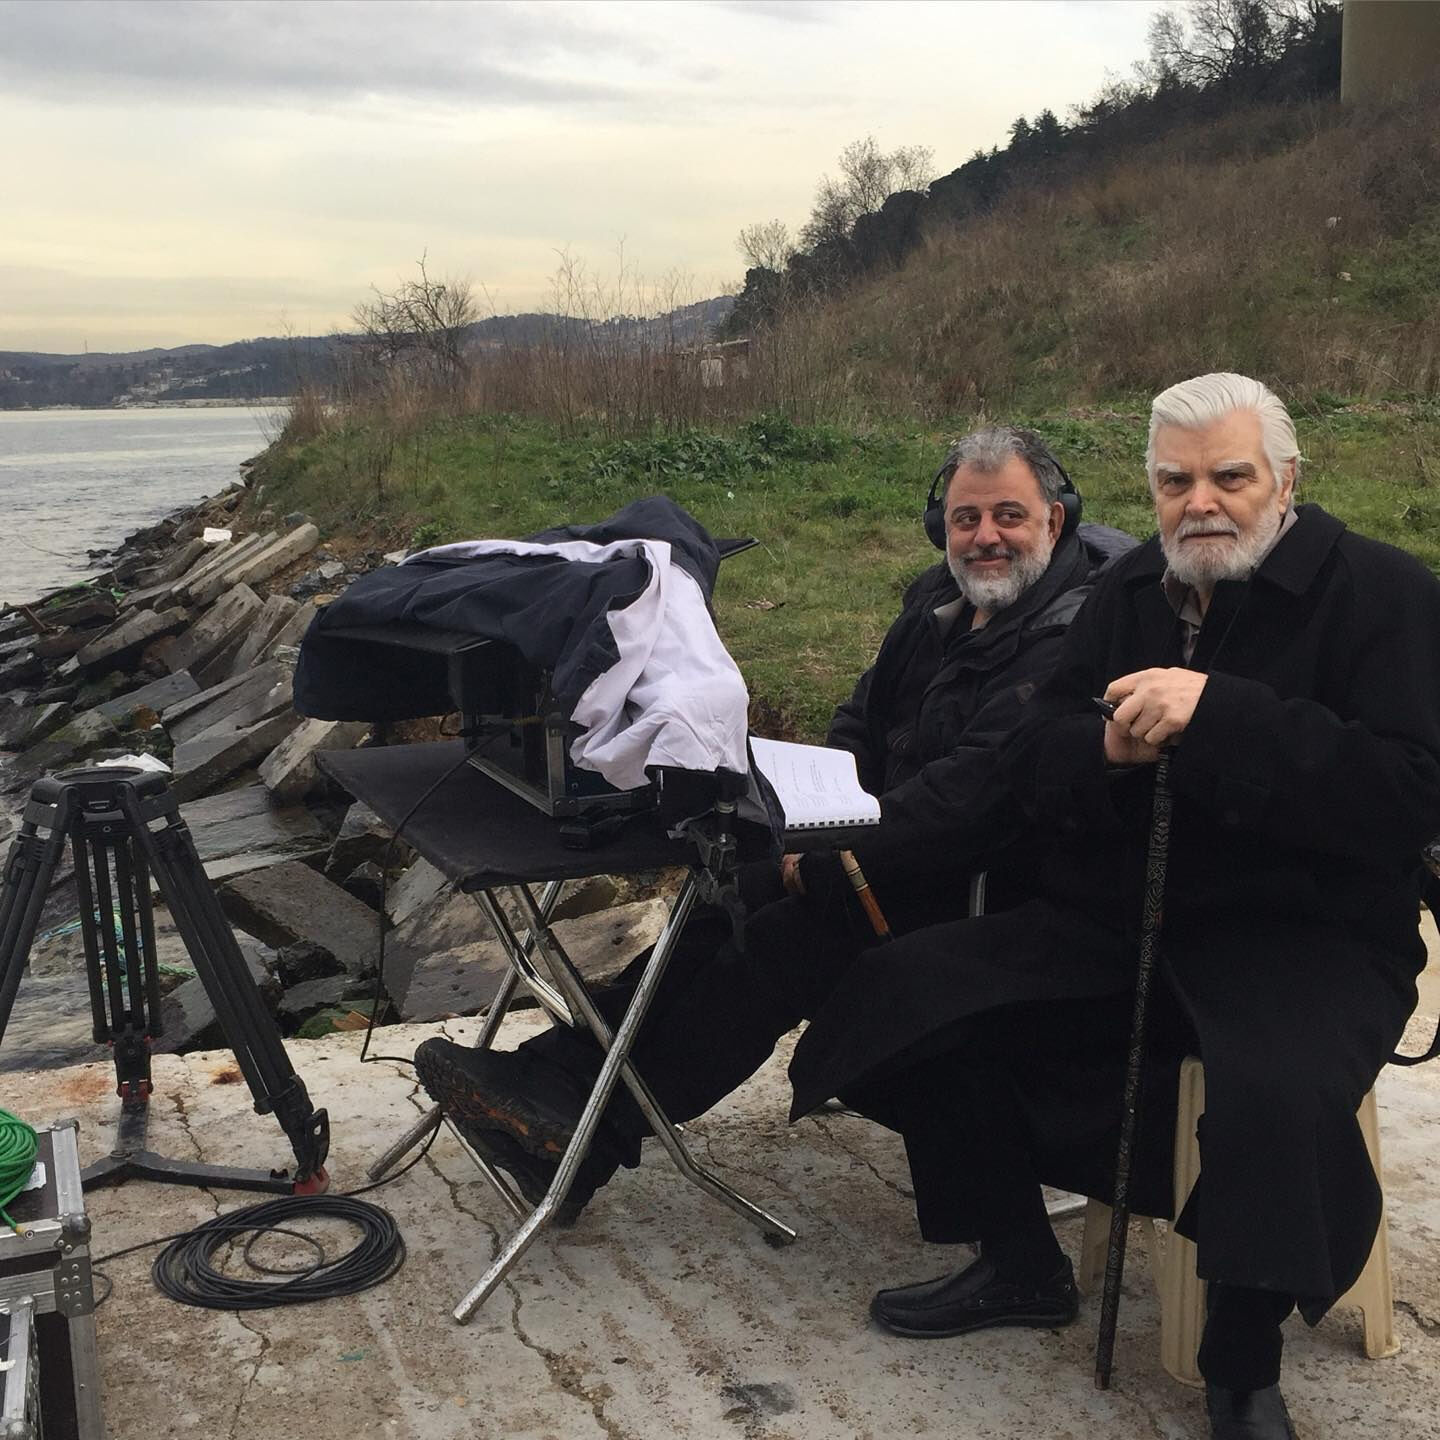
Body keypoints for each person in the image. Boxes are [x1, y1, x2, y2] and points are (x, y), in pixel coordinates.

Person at [787, 374, 1440, 1439]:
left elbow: (1409, 791)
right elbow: (1028, 766)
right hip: (1125, 918)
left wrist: (1221, 716)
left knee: (1272, 1088)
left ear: (1286, 480)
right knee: (905, 992)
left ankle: (1239, 1364)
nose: (1201, 504)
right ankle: (1016, 1254)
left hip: (1307, 935)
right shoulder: (1131, 595)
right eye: (1175, 480)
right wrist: (1104, 746)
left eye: (1231, 477)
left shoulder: (1386, 594)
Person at [415, 426, 1133, 1219]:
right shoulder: (941, 599)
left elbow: (972, 801)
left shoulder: (1070, 641)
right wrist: (812, 814)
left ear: (1054, 523)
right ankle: (557, 1092)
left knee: (786, 944)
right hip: (890, 845)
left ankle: (582, 1129)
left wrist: (834, 852)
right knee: (730, 890)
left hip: (986, 887)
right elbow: (860, 716)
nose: (985, 537)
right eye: (967, 519)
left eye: (1008, 516)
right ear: (942, 527)